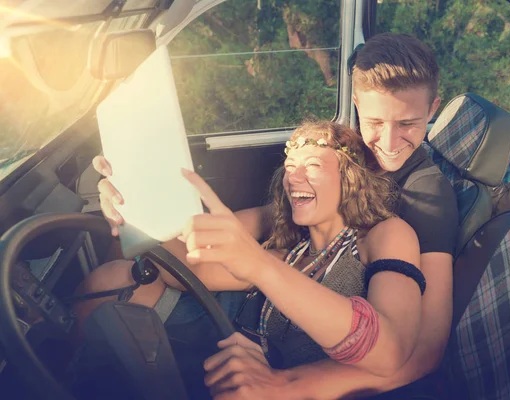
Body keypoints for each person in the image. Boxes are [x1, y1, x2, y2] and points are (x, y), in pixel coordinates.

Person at [91, 33, 458, 398]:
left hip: (321, 349)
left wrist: (284, 385)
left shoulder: (423, 197)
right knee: (117, 281)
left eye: (408, 124)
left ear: (432, 109)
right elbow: (236, 235)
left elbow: (421, 352)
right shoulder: (344, 154)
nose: (389, 143)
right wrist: (134, 206)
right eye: (376, 122)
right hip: (266, 308)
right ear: (357, 103)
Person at [78, 121, 424, 397]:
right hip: (237, 357)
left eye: (313, 165)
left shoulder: (383, 234)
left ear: (350, 178)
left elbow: (391, 350)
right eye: (290, 167)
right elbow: (173, 268)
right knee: (114, 281)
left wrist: (259, 265)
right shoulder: (289, 253)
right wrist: (130, 206)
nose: (294, 177)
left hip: (296, 385)